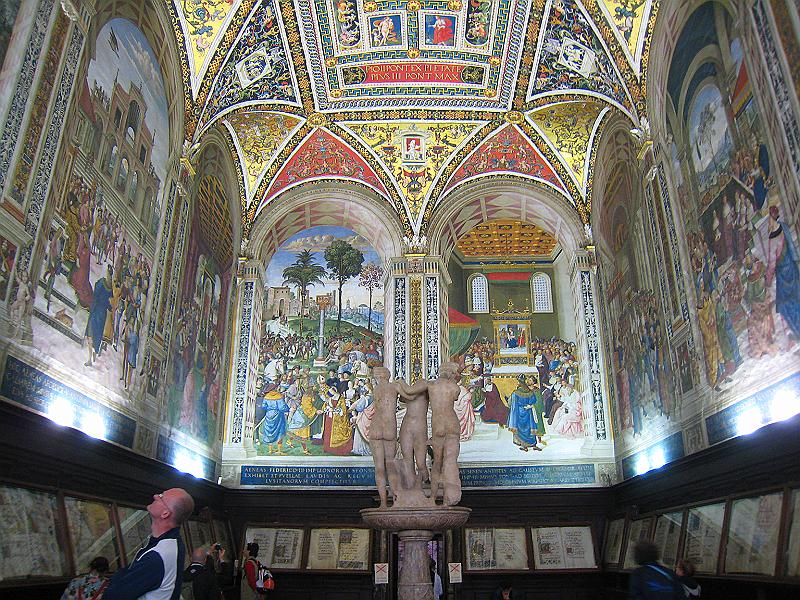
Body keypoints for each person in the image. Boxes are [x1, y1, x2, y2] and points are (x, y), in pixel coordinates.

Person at [104, 488, 195, 599]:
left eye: (161, 497)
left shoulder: (158, 555)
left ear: (165, 513)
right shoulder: (172, 543)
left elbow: (114, 595)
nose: (155, 495)